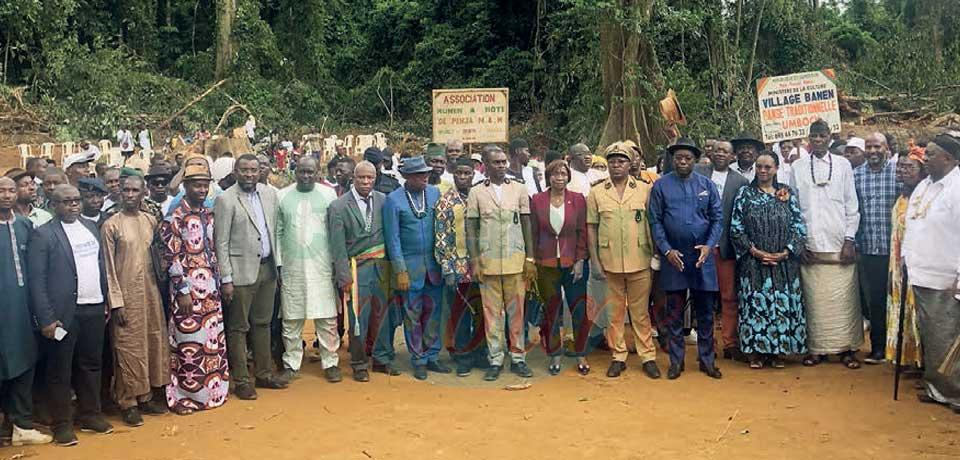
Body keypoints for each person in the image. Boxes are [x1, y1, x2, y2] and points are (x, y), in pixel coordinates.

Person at [29, 184, 113, 445]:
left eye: (76, 200)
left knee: (91, 364)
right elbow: (37, 281)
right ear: (53, 205)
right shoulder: (44, 235)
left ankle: (90, 414)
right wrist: (46, 318)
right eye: (66, 202)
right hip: (63, 314)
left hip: (94, 308)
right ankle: (62, 424)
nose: (73, 205)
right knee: (60, 370)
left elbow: (101, 266)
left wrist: (107, 299)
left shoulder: (90, 228)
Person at [789, 119, 863, 369]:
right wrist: (799, 242)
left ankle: (847, 350)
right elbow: (793, 209)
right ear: (809, 138)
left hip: (839, 244)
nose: (818, 140)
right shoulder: (797, 167)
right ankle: (816, 349)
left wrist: (850, 239)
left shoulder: (843, 165)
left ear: (830, 137)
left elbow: (852, 205)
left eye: (822, 136)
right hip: (810, 246)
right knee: (814, 302)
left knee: (845, 301)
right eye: (814, 136)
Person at [649, 137, 723, 380]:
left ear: (695, 160)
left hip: (702, 257)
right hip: (675, 258)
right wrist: (667, 250)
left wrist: (709, 246)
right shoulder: (661, 186)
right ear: (672, 159)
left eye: (688, 158)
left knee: (704, 312)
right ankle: (675, 361)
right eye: (678, 157)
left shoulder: (707, 185)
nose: (683, 161)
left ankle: (707, 360)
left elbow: (717, 219)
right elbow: (655, 221)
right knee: (674, 312)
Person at [214, 154, 287, 400]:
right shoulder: (225, 199)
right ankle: (242, 380)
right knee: (238, 327)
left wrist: (278, 266)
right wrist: (226, 278)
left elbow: (274, 230)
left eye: (253, 170)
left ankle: (264, 373)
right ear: (235, 171)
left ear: (260, 172)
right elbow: (220, 242)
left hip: (267, 268)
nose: (249, 174)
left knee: (263, 323)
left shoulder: (269, 194)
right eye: (244, 170)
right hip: (240, 272)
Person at [160, 159, 229, 414]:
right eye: (196, 186)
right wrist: (182, 291)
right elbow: (171, 256)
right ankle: (186, 397)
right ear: (186, 186)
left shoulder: (207, 212)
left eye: (204, 186)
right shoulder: (175, 216)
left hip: (211, 288)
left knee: (211, 341)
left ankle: (212, 393)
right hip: (188, 292)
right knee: (189, 344)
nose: (201, 190)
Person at [101, 175, 170, 426]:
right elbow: (108, 268)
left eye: (135, 191)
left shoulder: (150, 221)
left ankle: (146, 396)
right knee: (127, 348)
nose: (130, 195)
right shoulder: (111, 225)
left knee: (150, 343)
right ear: (119, 193)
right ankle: (127, 401)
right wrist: (116, 301)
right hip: (125, 296)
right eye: (126, 190)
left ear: (143, 194)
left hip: (150, 293)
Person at [730, 151, 808, 369]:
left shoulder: (786, 192)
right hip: (753, 263)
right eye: (759, 167)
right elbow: (736, 229)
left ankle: (777, 352)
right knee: (755, 305)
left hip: (784, 263)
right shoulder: (744, 193)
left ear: (776, 169)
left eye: (767, 167)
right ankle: (756, 353)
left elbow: (798, 227)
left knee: (781, 305)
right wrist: (756, 252)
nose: (763, 171)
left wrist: (785, 252)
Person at [466, 145, 537, 381]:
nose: (502, 166)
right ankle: (495, 359)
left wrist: (529, 257)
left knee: (517, 312)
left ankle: (518, 358)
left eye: (504, 162)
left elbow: (527, 223)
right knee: (491, 314)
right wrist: (475, 260)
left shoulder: (518, 188)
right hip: (488, 261)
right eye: (496, 162)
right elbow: (471, 228)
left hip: (515, 260)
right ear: (485, 165)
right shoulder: (476, 192)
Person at [902, 132, 960, 414]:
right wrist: (905, 259)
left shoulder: (957, 187)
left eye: (932, 154)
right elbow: (912, 225)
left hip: (947, 278)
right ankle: (937, 389)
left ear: (949, 158)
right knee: (932, 337)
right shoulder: (925, 185)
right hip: (921, 274)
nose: (925, 157)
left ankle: (956, 393)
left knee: (950, 337)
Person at [328, 161, 400, 381]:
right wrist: (344, 277)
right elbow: (337, 247)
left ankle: (382, 359)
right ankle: (359, 363)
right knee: (359, 318)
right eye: (362, 178)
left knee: (384, 315)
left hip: (382, 267)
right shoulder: (338, 206)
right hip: (356, 269)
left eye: (370, 178)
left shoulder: (383, 200)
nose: (366, 182)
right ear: (354, 178)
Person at [276, 157, 341, 383]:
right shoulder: (282, 196)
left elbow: (334, 230)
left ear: (318, 172)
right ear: (295, 172)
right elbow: (278, 231)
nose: (306, 176)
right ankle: (292, 363)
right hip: (291, 266)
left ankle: (330, 362)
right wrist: (278, 263)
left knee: (326, 316)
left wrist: (335, 263)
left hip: (322, 266)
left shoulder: (329, 195)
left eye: (310, 172)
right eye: (302, 172)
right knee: (291, 318)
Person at [383, 156, 448, 380]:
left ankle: (432, 355)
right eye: (420, 174)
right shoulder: (393, 200)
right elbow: (393, 239)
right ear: (407, 177)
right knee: (413, 314)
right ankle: (418, 358)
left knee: (434, 313)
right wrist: (400, 269)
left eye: (426, 173)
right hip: (409, 269)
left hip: (434, 267)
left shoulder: (434, 193)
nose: (425, 177)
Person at [0, 177, 52, 447]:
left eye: (11, 190)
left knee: (25, 359)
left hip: (23, 309)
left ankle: (22, 425)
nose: (7, 195)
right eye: (2, 191)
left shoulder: (25, 226)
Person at [532, 159, 592, 375]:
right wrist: (534, 260)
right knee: (551, 310)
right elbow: (533, 232)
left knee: (578, 308)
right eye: (555, 174)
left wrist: (580, 260)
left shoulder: (577, 200)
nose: (559, 178)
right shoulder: (537, 200)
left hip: (572, 262)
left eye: (563, 174)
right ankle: (554, 355)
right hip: (546, 263)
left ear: (568, 177)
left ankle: (581, 354)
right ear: (548, 177)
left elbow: (582, 232)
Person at [695, 140, 750, 362]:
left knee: (729, 297)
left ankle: (730, 343)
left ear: (732, 156)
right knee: (703, 296)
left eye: (725, 151)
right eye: (717, 150)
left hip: (725, 248)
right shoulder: (698, 173)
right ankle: (706, 344)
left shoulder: (740, 181)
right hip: (701, 247)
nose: (720, 154)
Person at [434, 157, 488, 377]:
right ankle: (463, 355)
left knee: (483, 312)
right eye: (459, 174)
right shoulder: (446, 201)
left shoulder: (481, 197)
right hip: (458, 267)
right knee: (461, 314)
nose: (463, 177)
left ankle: (480, 352)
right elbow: (441, 237)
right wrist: (447, 267)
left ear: (474, 174)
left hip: (483, 266)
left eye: (467, 173)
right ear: (453, 174)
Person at [853, 132, 898, 364]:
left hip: (898, 252)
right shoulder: (856, 175)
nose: (872, 151)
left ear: (887, 148)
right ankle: (879, 348)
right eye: (868, 147)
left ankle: (901, 349)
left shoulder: (899, 171)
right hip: (870, 250)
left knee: (899, 300)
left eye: (877, 146)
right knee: (876, 302)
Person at [885, 146, 927, 368]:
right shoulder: (901, 195)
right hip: (898, 264)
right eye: (900, 166)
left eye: (909, 167)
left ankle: (923, 363)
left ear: (922, 170)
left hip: (918, 263)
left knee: (917, 312)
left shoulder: (925, 196)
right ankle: (907, 358)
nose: (902, 171)